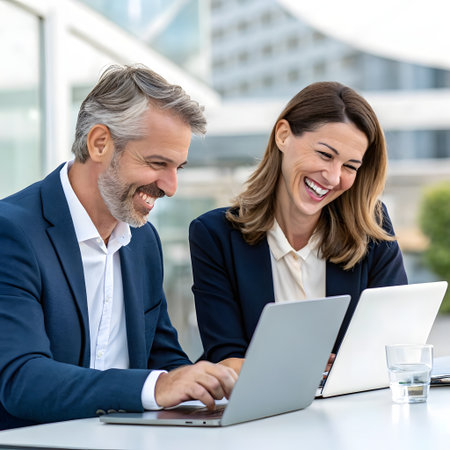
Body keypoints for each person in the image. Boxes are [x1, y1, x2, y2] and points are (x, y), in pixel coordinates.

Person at [0, 64, 237, 430]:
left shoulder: (142, 240)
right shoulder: (12, 232)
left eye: (178, 167)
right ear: (99, 143)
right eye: (158, 163)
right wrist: (157, 387)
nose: (171, 186)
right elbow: (22, 378)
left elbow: (162, 357)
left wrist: (216, 382)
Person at [189, 81, 408, 375]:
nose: (332, 177)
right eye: (325, 155)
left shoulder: (372, 228)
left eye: (350, 166)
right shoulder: (214, 235)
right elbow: (225, 359)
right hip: (260, 416)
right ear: (283, 136)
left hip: (352, 414)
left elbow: (393, 345)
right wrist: (300, 366)